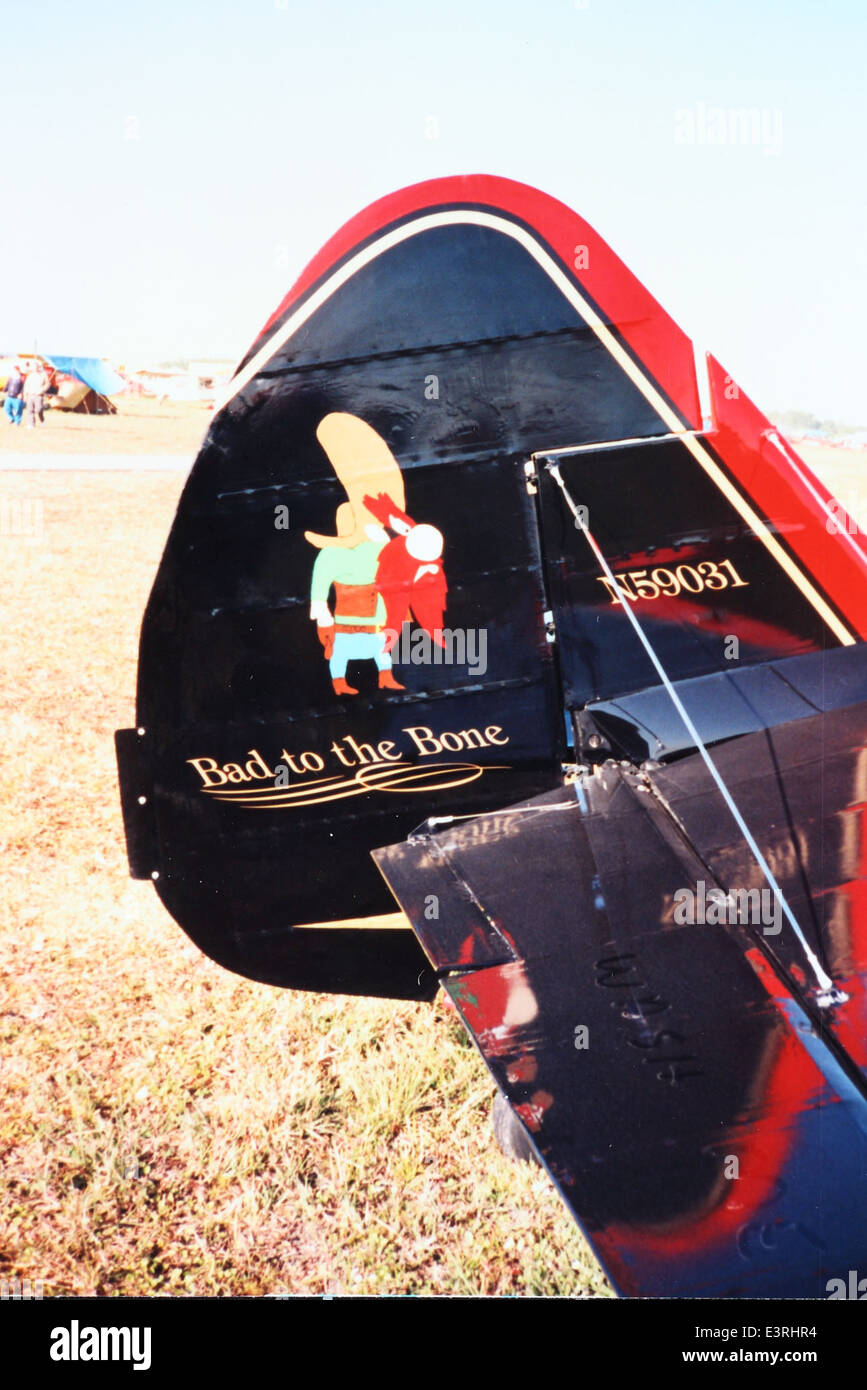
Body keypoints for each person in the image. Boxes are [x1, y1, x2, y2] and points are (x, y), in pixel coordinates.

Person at [23, 361, 49, 427]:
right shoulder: (30, 375)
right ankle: (31, 424)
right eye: (33, 367)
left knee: (39, 409)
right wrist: (25, 394)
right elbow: (26, 385)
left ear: (38, 367)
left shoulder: (43, 374)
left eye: (36, 367)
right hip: (30, 394)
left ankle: (42, 420)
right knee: (30, 410)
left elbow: (48, 384)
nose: (35, 368)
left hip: (39, 395)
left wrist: (42, 390)